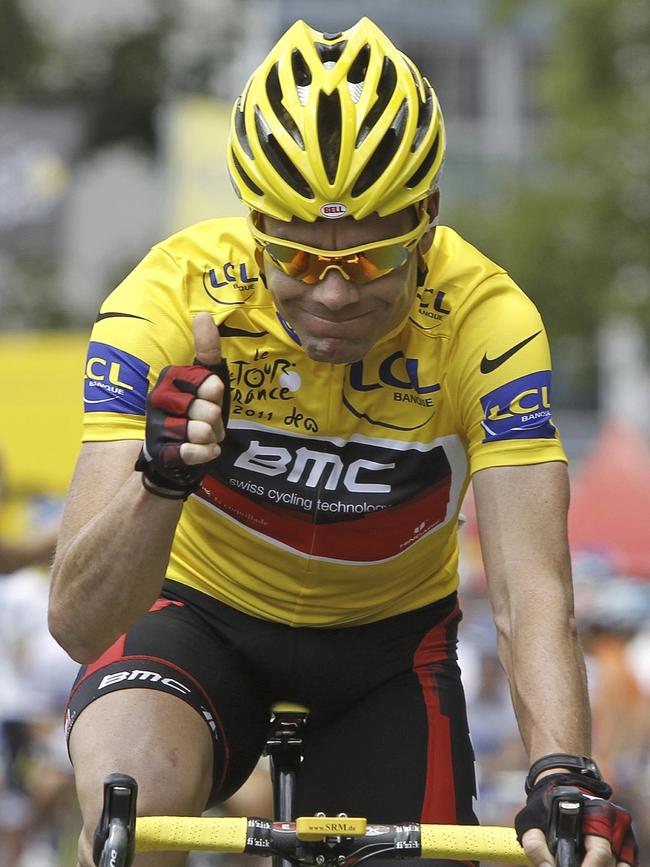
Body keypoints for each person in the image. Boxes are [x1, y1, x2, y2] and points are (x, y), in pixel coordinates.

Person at [48, 17, 638, 867]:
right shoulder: (169, 302)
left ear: (427, 218)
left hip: (387, 649)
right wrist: (159, 479)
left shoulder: (488, 323)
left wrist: (565, 772)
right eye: (295, 255)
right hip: (197, 617)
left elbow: (530, 592)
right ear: (254, 222)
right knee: (129, 813)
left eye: (370, 259)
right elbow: (77, 619)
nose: (330, 292)